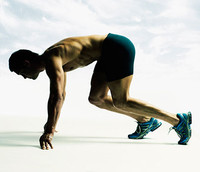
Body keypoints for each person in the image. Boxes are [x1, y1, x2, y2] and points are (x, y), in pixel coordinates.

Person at [9, 33, 192, 150]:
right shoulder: (54, 60)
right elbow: (61, 95)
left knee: (122, 100)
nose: (24, 77)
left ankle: (178, 120)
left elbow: (56, 96)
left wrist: (48, 130)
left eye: (21, 73)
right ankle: (145, 121)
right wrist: (52, 123)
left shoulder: (53, 58)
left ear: (27, 63)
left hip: (116, 47)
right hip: (106, 53)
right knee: (97, 98)